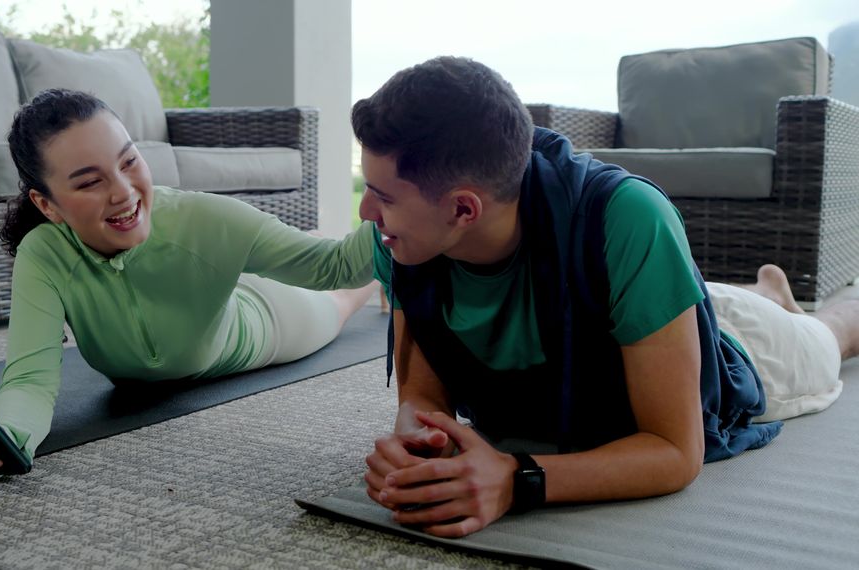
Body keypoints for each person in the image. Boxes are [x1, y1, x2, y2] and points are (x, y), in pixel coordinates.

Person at [356, 56, 859, 538]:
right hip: (646, 306)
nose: (365, 211)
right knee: (671, 292)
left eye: (384, 196)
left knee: (830, 337)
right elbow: (424, 395)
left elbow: (674, 452)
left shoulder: (628, 217)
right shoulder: (407, 242)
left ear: (464, 208)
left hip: (739, 351)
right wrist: (418, 441)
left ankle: (783, 305)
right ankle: (760, 289)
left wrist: (517, 479)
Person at [0, 89, 378, 484]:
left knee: (340, 300)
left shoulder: (205, 219)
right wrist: (6, 438)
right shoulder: (44, 255)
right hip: (202, 290)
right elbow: (30, 379)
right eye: (91, 182)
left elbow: (337, 267)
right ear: (46, 204)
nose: (123, 192)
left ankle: (367, 275)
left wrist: (398, 202)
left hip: (261, 320)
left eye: (129, 161)